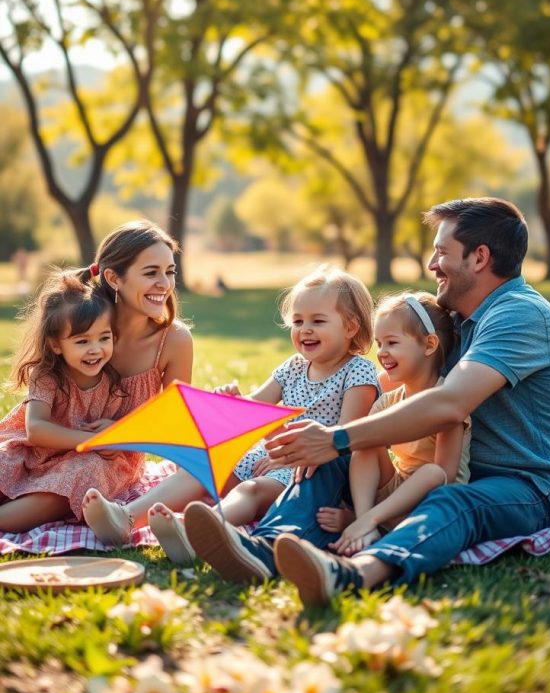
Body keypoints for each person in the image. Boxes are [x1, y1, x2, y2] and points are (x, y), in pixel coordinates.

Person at [182, 198, 550, 605]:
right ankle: (265, 548)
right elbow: (386, 386)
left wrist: (338, 437)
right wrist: (324, 439)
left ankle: (354, 573)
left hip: (527, 487)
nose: (432, 264)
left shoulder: (520, 315)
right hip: (458, 470)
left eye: (442, 252)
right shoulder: (459, 319)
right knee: (333, 453)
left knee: (449, 498)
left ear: (479, 257)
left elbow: (449, 404)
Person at [133, 264, 381, 564]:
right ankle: (127, 517)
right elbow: (253, 408)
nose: (305, 330)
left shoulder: (358, 372)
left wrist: (284, 455)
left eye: (318, 321)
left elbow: (344, 438)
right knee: (203, 467)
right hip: (267, 456)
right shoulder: (293, 367)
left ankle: (192, 534)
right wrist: (233, 401)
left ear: (351, 327)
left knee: (251, 490)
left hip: (308, 470)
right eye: (298, 321)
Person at [316, 291, 470, 557]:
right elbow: (364, 448)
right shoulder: (389, 401)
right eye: (379, 344)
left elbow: (445, 472)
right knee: (364, 440)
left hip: (433, 501)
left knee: (432, 471)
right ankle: (365, 522)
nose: (382, 353)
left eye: (392, 343)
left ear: (429, 344)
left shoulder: (446, 402)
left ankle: (366, 520)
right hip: (394, 494)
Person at [79, 219, 194, 543]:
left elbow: (176, 426)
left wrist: (119, 437)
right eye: (151, 272)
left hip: (112, 463)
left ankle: (124, 519)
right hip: (61, 440)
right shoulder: (85, 328)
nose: (164, 283)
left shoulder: (174, 340)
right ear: (114, 278)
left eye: (170, 272)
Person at [0, 272, 128, 531]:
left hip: (75, 463)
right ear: (56, 345)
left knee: (86, 476)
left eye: (104, 338)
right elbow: (36, 430)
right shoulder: (47, 376)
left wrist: (114, 439)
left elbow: (118, 434)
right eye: (82, 341)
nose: (95, 349)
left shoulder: (113, 382)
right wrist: (91, 441)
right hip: (32, 452)